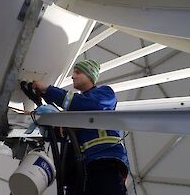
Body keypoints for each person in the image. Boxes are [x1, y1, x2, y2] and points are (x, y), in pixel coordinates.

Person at [32, 59, 129, 195]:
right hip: (79, 171)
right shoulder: (74, 110)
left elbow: (87, 104)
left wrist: (48, 91)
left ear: (89, 75)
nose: (73, 76)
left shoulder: (105, 94)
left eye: (77, 72)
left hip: (104, 161)